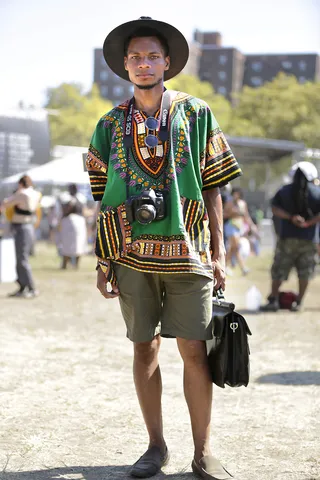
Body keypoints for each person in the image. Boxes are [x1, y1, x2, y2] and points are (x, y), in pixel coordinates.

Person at [86, 17, 242, 480]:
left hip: (189, 251)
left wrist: (218, 252)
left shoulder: (197, 113)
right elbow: (103, 193)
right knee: (143, 349)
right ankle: (155, 447)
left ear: (168, 62)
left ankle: (204, 451)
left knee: (194, 350)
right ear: (125, 66)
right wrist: (103, 258)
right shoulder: (109, 124)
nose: (144, 63)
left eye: (153, 55)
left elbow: (214, 187)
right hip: (130, 255)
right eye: (135, 57)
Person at [261, 161, 320, 312]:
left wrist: (291, 217)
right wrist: (309, 223)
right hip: (308, 240)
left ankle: (273, 300)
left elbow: (274, 209)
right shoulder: (317, 192)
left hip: (287, 238)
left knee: (279, 269)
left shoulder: (283, 191)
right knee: (305, 271)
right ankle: (299, 302)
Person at [0, 175, 41, 298]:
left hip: (21, 227)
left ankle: (31, 287)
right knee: (20, 258)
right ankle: (22, 286)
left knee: (21, 258)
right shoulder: (36, 193)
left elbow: (6, 203)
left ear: (20, 183)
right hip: (28, 226)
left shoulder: (22, 193)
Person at [224, 187, 256, 275]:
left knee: (233, 248)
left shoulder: (243, 204)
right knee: (237, 246)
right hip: (230, 226)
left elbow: (246, 216)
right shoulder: (229, 203)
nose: (236, 195)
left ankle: (225, 267)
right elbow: (224, 214)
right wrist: (232, 213)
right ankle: (243, 268)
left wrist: (251, 225)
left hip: (239, 227)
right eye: (234, 193)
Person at [58, 184, 87, 269]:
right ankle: (71, 264)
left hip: (70, 221)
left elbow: (65, 210)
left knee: (73, 244)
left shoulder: (78, 199)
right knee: (74, 244)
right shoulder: (77, 199)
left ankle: (67, 264)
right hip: (77, 222)